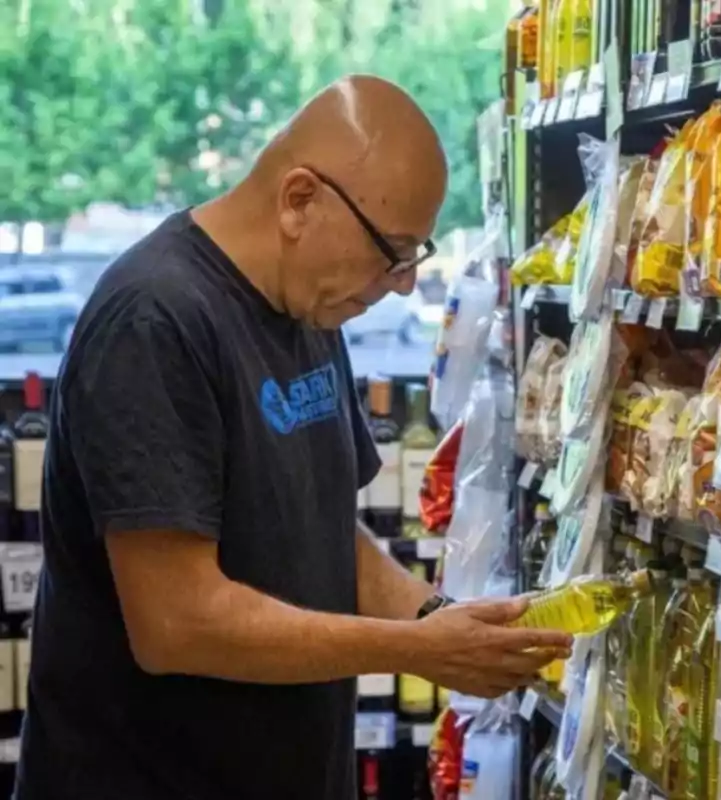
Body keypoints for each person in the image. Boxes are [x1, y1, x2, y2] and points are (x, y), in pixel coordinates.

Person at [14, 75, 571, 800]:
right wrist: (415, 651)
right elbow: (177, 623)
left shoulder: (308, 307)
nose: (402, 285)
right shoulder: (154, 323)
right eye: (391, 252)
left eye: (415, 256)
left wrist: (438, 618)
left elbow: (321, 528)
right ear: (299, 199)